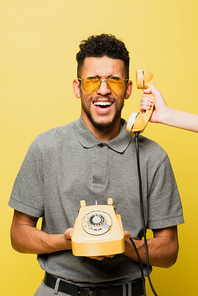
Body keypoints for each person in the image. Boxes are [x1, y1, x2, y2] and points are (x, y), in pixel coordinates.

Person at [9, 34, 184, 296]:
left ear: (127, 89)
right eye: (92, 80)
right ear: (77, 88)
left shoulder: (153, 157)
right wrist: (68, 241)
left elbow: (169, 251)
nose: (103, 90)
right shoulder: (45, 147)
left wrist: (123, 246)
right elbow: (18, 235)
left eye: (114, 80)